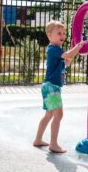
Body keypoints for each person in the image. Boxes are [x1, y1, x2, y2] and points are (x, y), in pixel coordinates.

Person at [33, 21, 84, 153]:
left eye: (63, 33)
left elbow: (67, 61)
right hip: (52, 87)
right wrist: (78, 47)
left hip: (49, 86)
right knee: (59, 115)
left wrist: (71, 55)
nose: (62, 36)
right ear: (50, 36)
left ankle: (38, 139)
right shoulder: (54, 49)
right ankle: (53, 144)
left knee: (49, 115)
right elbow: (68, 55)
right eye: (59, 33)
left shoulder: (56, 50)